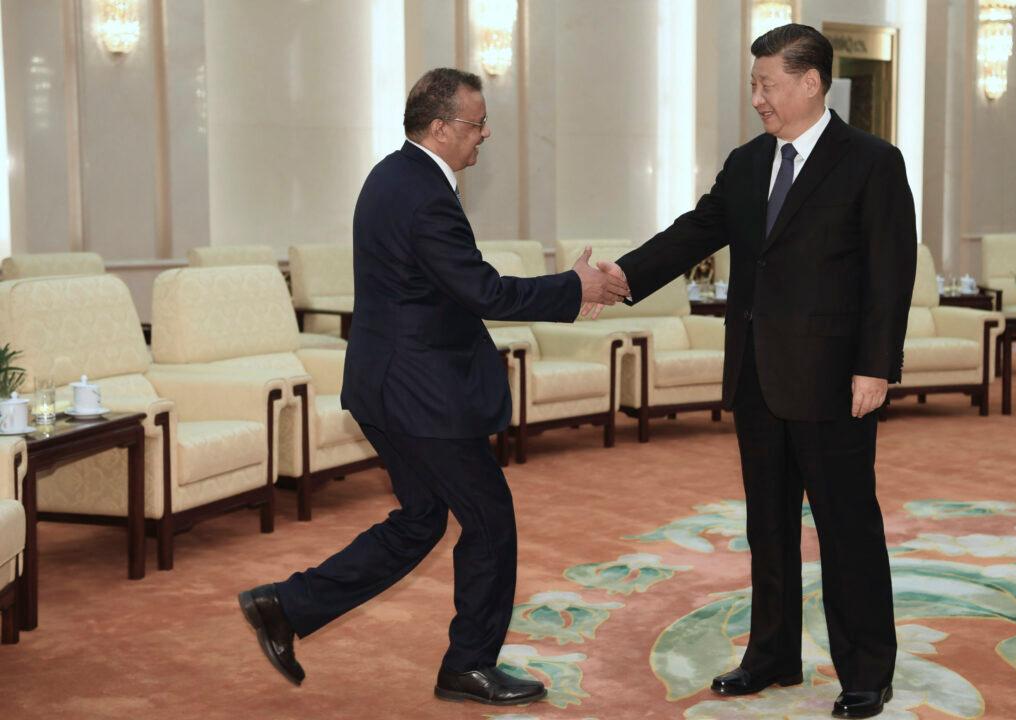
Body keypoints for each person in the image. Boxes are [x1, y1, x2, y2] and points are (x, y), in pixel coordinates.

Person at [237, 67, 629, 707]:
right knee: (491, 522)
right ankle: (469, 665)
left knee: (421, 519)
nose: (485, 135)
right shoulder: (424, 195)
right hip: (420, 395)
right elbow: (482, 290)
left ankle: (287, 605)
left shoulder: (396, 175)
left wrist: (566, 288)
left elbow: (445, 291)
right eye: (476, 124)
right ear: (442, 127)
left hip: (391, 387)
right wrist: (572, 287)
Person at [595, 24, 916, 719]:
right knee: (767, 527)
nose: (757, 98)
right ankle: (772, 654)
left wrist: (877, 366)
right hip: (757, 378)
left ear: (809, 82)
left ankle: (867, 669)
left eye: (766, 83)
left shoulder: (871, 161)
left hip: (835, 381)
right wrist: (623, 276)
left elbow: (892, 272)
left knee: (846, 528)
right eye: (754, 84)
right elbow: (696, 229)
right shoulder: (746, 163)